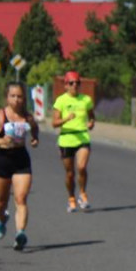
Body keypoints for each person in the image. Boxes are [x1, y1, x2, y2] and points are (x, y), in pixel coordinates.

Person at [0, 82, 39, 251]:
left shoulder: (27, 117)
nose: (16, 100)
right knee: (1, 201)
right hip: (4, 160)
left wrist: (35, 139)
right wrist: (0, 141)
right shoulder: (0, 116)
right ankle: (1, 220)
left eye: (19, 96)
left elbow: (35, 129)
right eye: (13, 96)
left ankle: (20, 233)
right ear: (7, 98)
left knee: (21, 198)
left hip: (21, 160)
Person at [52, 70, 95, 212]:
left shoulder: (86, 100)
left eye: (77, 83)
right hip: (66, 139)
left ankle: (82, 194)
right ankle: (71, 197)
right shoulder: (61, 101)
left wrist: (91, 123)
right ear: (65, 85)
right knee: (70, 173)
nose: (74, 85)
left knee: (81, 167)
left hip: (82, 137)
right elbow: (54, 123)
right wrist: (66, 119)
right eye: (71, 83)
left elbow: (91, 116)